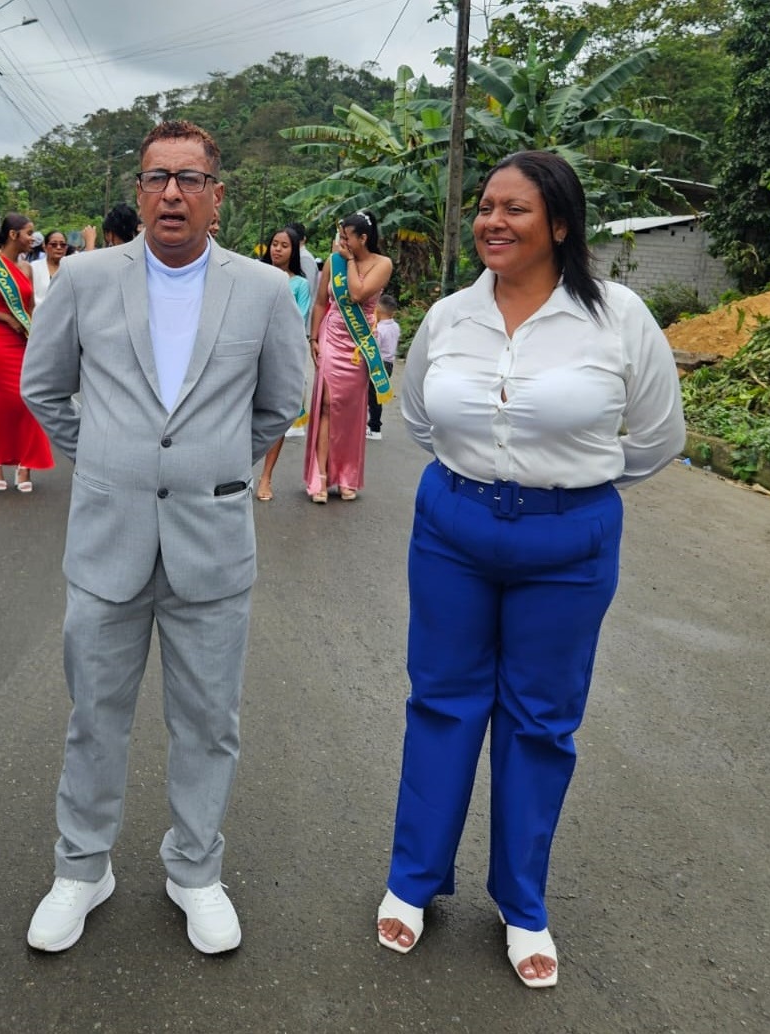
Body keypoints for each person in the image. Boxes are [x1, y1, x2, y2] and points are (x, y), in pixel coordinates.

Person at [378, 150, 686, 989]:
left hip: (568, 542)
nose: (493, 221)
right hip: (453, 529)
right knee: (441, 701)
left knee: (540, 722)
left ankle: (522, 903)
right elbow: (419, 419)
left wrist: (568, 490)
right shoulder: (451, 316)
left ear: (559, 222)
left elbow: (659, 437)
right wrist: (486, 482)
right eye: (485, 206)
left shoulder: (618, 317)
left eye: (514, 208)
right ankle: (414, 879)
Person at [20, 119, 305, 956]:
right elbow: (45, 387)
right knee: (94, 715)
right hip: (108, 536)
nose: (171, 193)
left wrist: (210, 467)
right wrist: (109, 460)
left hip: (211, 541)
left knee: (209, 720)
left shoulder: (263, 290)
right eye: (155, 178)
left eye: (189, 179)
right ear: (138, 191)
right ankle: (82, 868)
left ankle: (195, 870)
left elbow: (279, 403)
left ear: (218, 196)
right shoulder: (85, 279)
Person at [303, 211, 392, 503]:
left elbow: (357, 294)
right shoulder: (334, 261)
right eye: (340, 237)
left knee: (351, 411)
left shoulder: (382, 264)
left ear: (363, 238)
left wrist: (351, 261)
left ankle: (346, 476)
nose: (341, 242)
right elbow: (320, 302)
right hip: (332, 335)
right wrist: (314, 338)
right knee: (327, 405)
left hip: (359, 343)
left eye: (346, 237)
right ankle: (321, 475)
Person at [0, 211, 53, 492]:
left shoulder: (27, 268)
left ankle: (25, 464)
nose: (33, 238)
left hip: (23, 340)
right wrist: (6, 318)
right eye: (28, 232)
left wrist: (36, 334)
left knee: (27, 401)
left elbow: (29, 307)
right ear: (13, 235)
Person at [255, 226, 312, 501]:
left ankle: (266, 476)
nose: (277, 249)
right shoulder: (256, 275)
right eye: (274, 244)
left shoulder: (300, 284)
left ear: (294, 251)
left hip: (280, 358)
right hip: (252, 353)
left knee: (275, 417)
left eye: (284, 245)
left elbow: (297, 319)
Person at [366, 294, 400, 440]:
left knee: (373, 397)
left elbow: (374, 348)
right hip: (389, 364)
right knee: (376, 396)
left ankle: (374, 428)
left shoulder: (379, 329)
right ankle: (372, 425)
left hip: (378, 365)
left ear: (378, 309)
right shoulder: (395, 326)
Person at [29, 230, 68, 306]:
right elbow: (30, 295)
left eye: (63, 245)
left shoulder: (71, 267)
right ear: (45, 247)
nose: (59, 247)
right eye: (54, 244)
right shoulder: (34, 267)